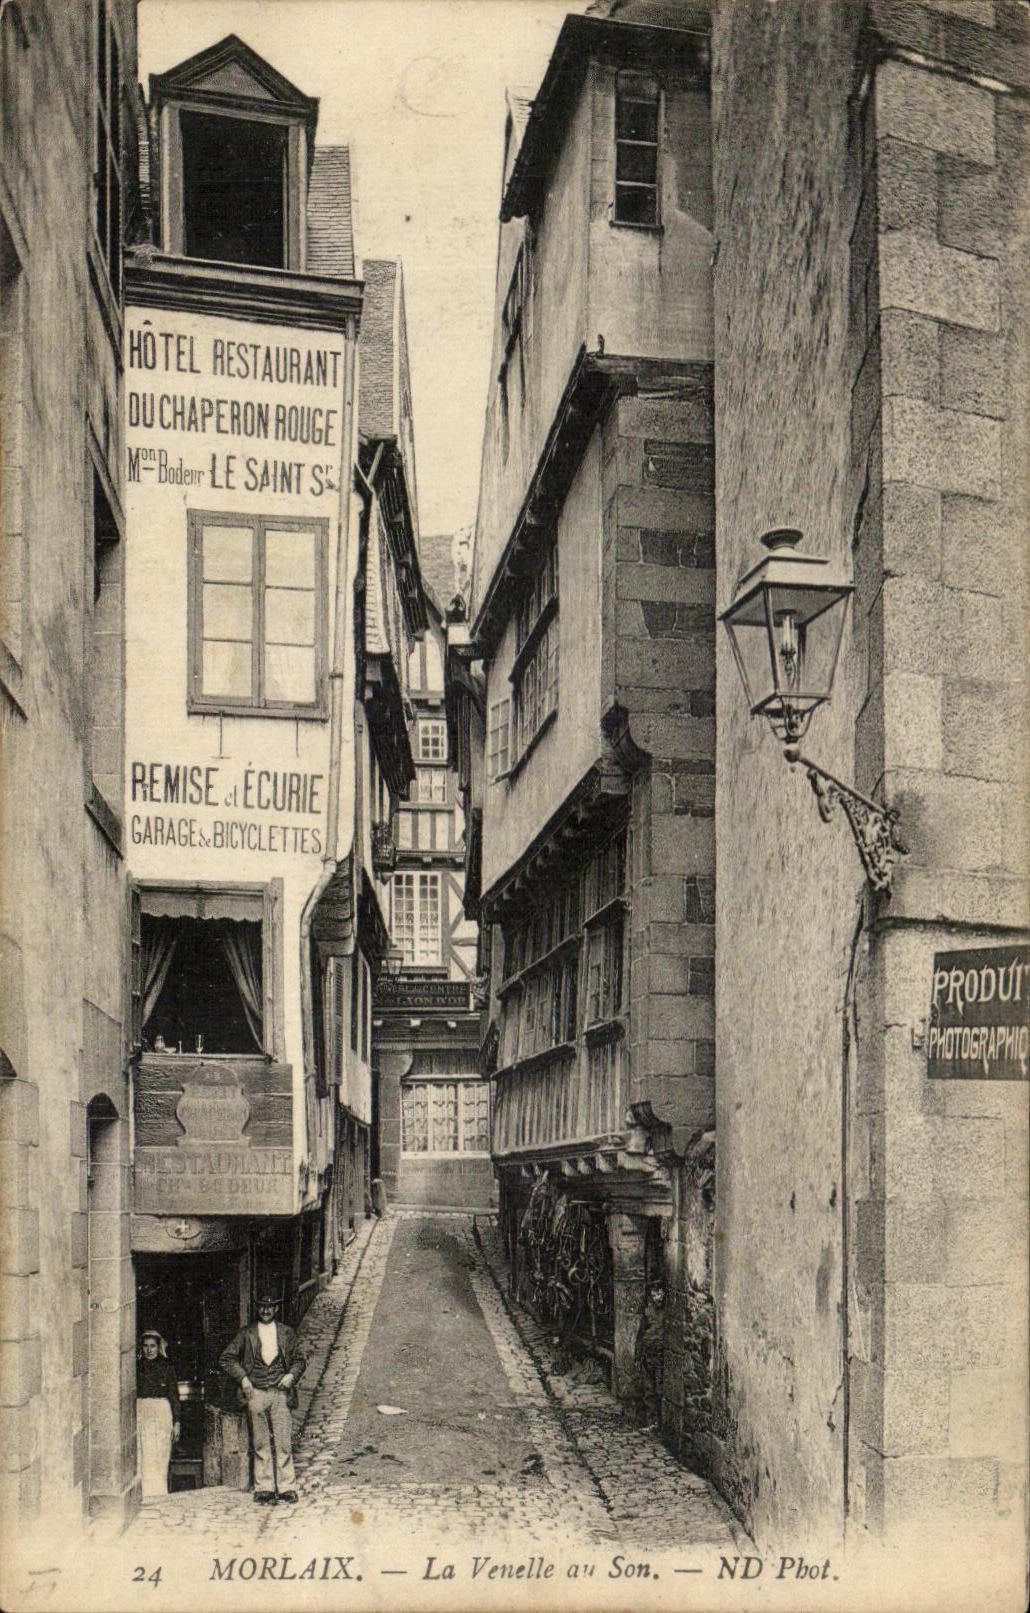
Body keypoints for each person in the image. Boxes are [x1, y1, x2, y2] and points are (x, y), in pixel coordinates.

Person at [219, 1292, 306, 1504]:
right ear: (257, 1309)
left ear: (276, 1309)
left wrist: (290, 1376)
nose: (266, 1311)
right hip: (256, 1391)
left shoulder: (287, 1333)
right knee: (260, 1441)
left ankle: (287, 1487)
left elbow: (300, 1360)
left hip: (280, 1392)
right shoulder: (246, 1334)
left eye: (270, 1307)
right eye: (262, 1307)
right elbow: (226, 1358)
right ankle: (264, 1486)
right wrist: (244, 1380)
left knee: (284, 1440)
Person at [136, 1329, 180, 1501]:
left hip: (161, 1412)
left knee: (159, 1453)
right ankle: (143, 1495)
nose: (149, 1350)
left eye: (152, 1346)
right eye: (146, 1346)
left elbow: (174, 1396)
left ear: (158, 1347)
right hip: (141, 1411)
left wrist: (176, 1422)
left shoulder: (167, 1366)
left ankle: (158, 1494)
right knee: (142, 1453)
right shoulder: (137, 1367)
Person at [634, 1280, 666, 1431]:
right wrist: (638, 1354)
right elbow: (641, 1334)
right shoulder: (648, 1311)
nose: (657, 1297)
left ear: (664, 1293)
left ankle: (662, 1422)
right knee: (649, 1390)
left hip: (661, 1354)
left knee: (660, 1389)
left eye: (659, 1293)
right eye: (654, 1295)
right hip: (648, 1352)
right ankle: (652, 1421)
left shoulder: (668, 1312)